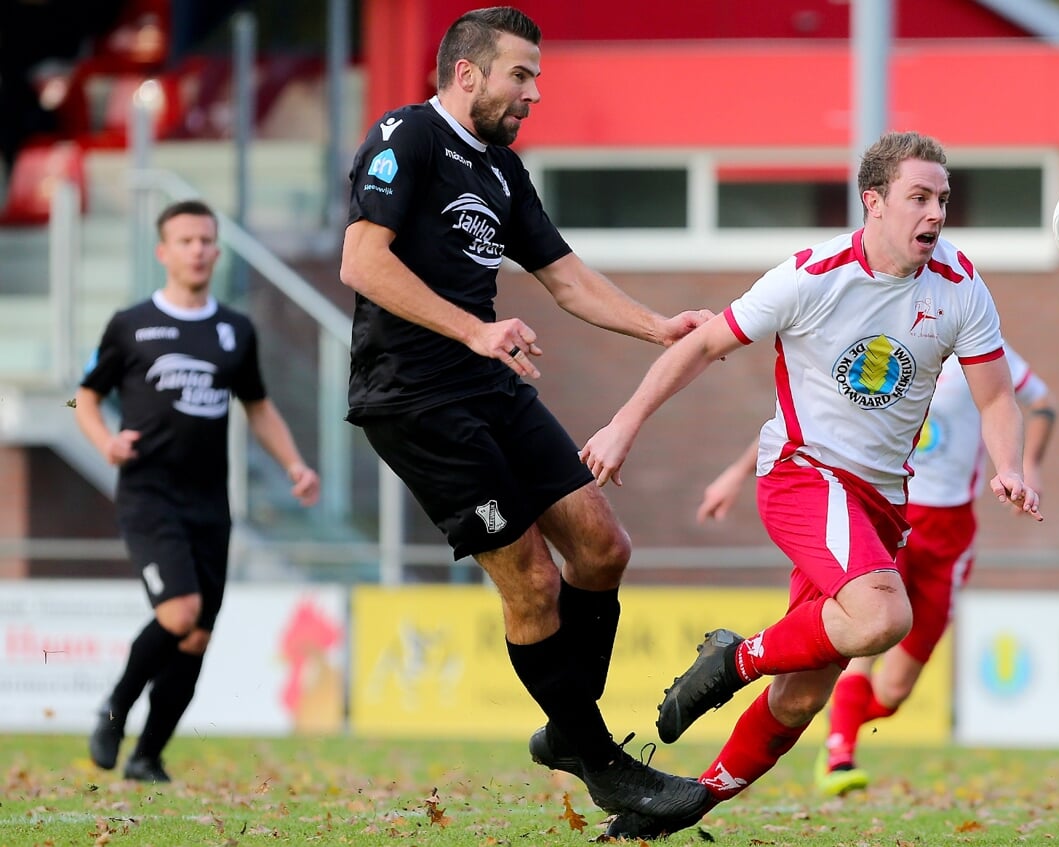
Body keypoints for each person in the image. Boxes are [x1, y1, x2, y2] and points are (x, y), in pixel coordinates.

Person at [580, 131, 1042, 838]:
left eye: (943, 199)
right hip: (805, 476)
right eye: (919, 197)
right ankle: (732, 660)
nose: (935, 213)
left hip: (882, 506)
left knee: (801, 696)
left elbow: (996, 398)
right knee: (884, 618)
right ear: (874, 202)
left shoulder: (959, 284)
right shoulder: (811, 275)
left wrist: (1008, 464)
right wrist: (623, 423)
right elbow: (703, 344)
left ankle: (684, 804)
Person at [336, 6, 712, 821]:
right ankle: (605, 762)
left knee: (603, 548)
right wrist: (476, 328)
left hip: (487, 381)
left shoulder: (503, 172)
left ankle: (567, 726)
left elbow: (566, 277)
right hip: (415, 396)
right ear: (466, 73)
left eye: (536, 76)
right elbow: (361, 260)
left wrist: (657, 325)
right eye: (521, 75)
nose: (534, 93)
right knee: (534, 581)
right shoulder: (407, 138)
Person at [697, 344, 1055, 796]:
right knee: (872, 625)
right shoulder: (887, 343)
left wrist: (1029, 466)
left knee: (894, 693)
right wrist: (736, 472)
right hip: (888, 513)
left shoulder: (984, 350)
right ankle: (839, 753)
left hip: (952, 531)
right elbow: (804, 418)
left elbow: (1041, 403)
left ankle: (832, 722)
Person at [76, 199, 320, 783]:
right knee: (180, 613)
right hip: (149, 495)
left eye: (207, 240)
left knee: (197, 635)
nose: (198, 250)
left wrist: (294, 465)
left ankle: (147, 756)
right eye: (185, 241)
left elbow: (257, 407)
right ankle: (114, 709)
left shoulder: (235, 331)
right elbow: (83, 396)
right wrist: (105, 443)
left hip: (211, 502)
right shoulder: (130, 324)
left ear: (217, 249)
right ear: (163, 252)